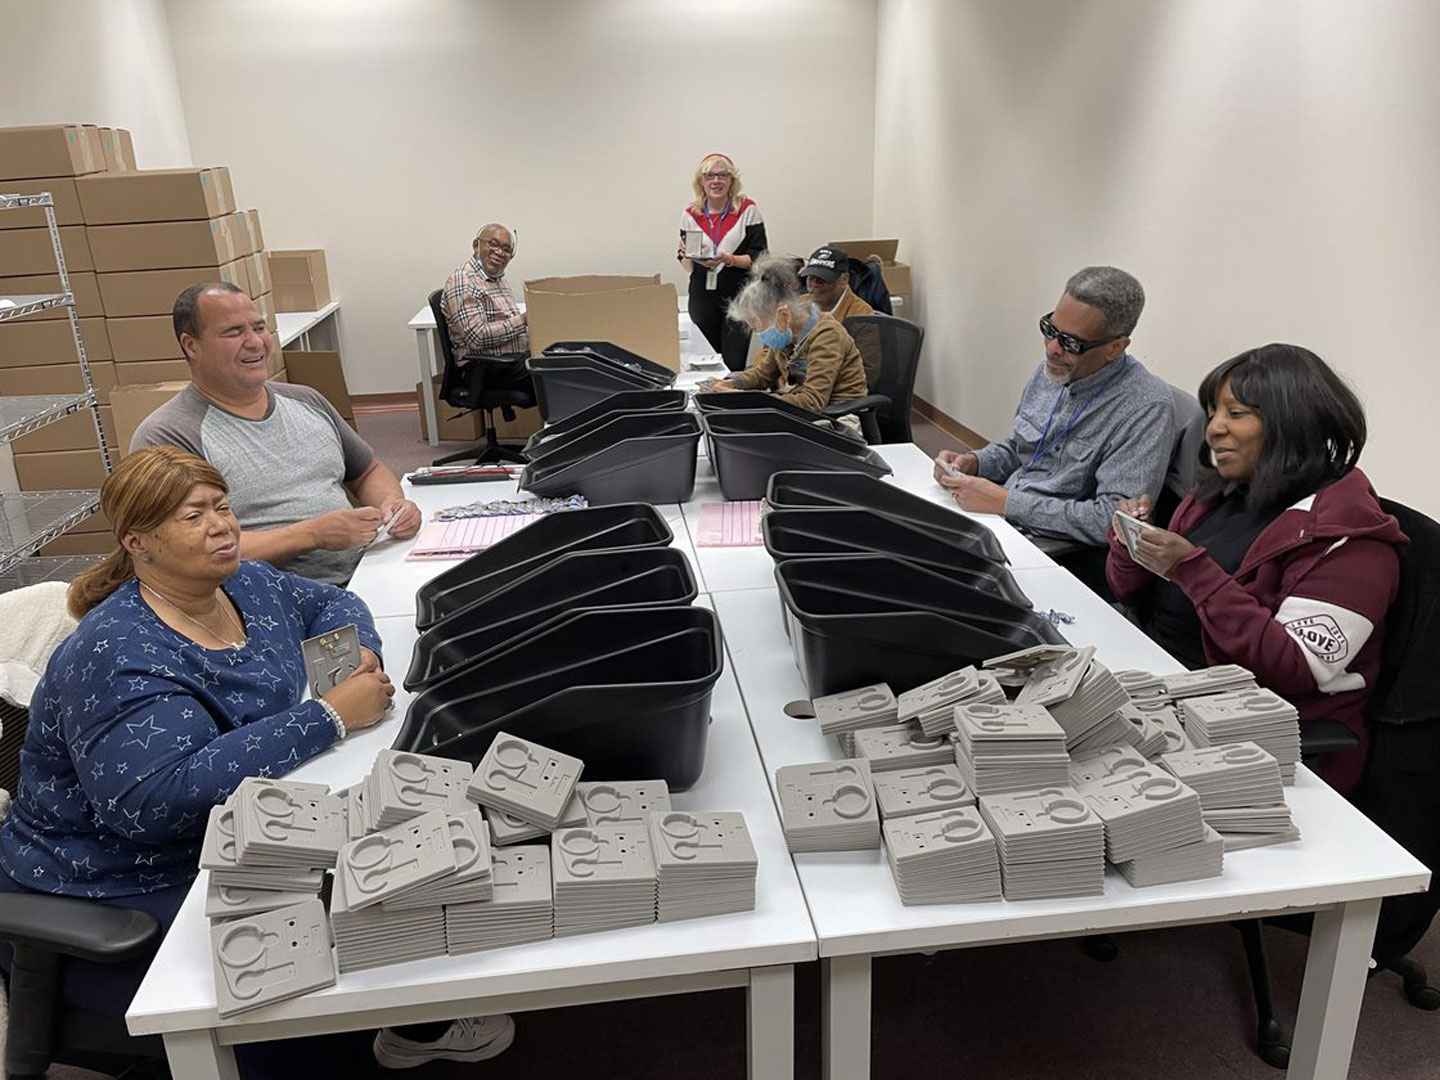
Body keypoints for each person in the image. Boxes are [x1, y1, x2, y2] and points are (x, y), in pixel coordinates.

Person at [0, 448, 514, 1074]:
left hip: (234, 829)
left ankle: (406, 1026)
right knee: (330, 960)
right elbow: (155, 804)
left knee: (392, 873)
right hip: (116, 882)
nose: (222, 525)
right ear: (139, 541)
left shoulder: (241, 581)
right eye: (193, 516)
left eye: (222, 506)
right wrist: (327, 717)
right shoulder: (116, 653)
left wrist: (351, 663)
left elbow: (331, 605)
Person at [1105, 344, 1406, 795]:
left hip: (1256, 736)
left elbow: (1292, 667)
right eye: (1211, 413)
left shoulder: (1351, 541)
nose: (1213, 430)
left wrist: (1191, 569)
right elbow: (1131, 594)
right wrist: (1132, 548)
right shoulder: (1219, 493)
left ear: (1293, 423)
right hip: (1166, 689)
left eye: (1236, 413)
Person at [131, 283, 422, 586]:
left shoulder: (307, 400)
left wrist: (393, 505)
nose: (255, 342)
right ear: (191, 345)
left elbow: (367, 470)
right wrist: (313, 535)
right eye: (233, 332)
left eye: (259, 327)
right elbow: (185, 549)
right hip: (271, 599)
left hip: (368, 567)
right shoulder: (169, 435)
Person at [932, 266, 1175, 546]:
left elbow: (1113, 521)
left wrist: (1007, 503)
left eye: (1071, 342)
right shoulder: (1056, 367)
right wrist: (975, 462)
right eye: (1050, 329)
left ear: (1115, 348)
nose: (1052, 348)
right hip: (999, 518)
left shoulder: (1146, 408)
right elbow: (1020, 449)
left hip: (1051, 547)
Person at [700, 254, 869, 418]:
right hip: (807, 410)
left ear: (783, 315)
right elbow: (762, 375)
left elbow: (813, 401)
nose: (759, 333)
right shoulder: (786, 334)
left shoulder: (827, 335)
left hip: (839, 416)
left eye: (759, 326)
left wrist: (750, 400)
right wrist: (728, 383)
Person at [677, 152, 767, 371]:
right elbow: (682, 257)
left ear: (732, 180)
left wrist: (730, 259)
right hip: (702, 297)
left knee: (733, 363)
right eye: (709, 176)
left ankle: (729, 402)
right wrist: (692, 259)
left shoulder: (747, 210)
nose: (716, 181)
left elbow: (760, 257)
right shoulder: (690, 214)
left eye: (722, 175)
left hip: (738, 297)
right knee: (704, 363)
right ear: (701, 181)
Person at [441, 221, 531, 358]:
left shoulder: (498, 279)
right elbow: (477, 337)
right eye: (493, 244)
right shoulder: (464, 280)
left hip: (512, 360)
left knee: (563, 357)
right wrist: (524, 320)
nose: (500, 252)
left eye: (506, 249)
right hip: (488, 367)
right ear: (476, 245)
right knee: (556, 373)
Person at [801, 245, 874, 324]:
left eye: (822, 279)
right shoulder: (798, 305)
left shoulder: (862, 315)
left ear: (844, 280)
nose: (814, 284)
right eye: (811, 278)